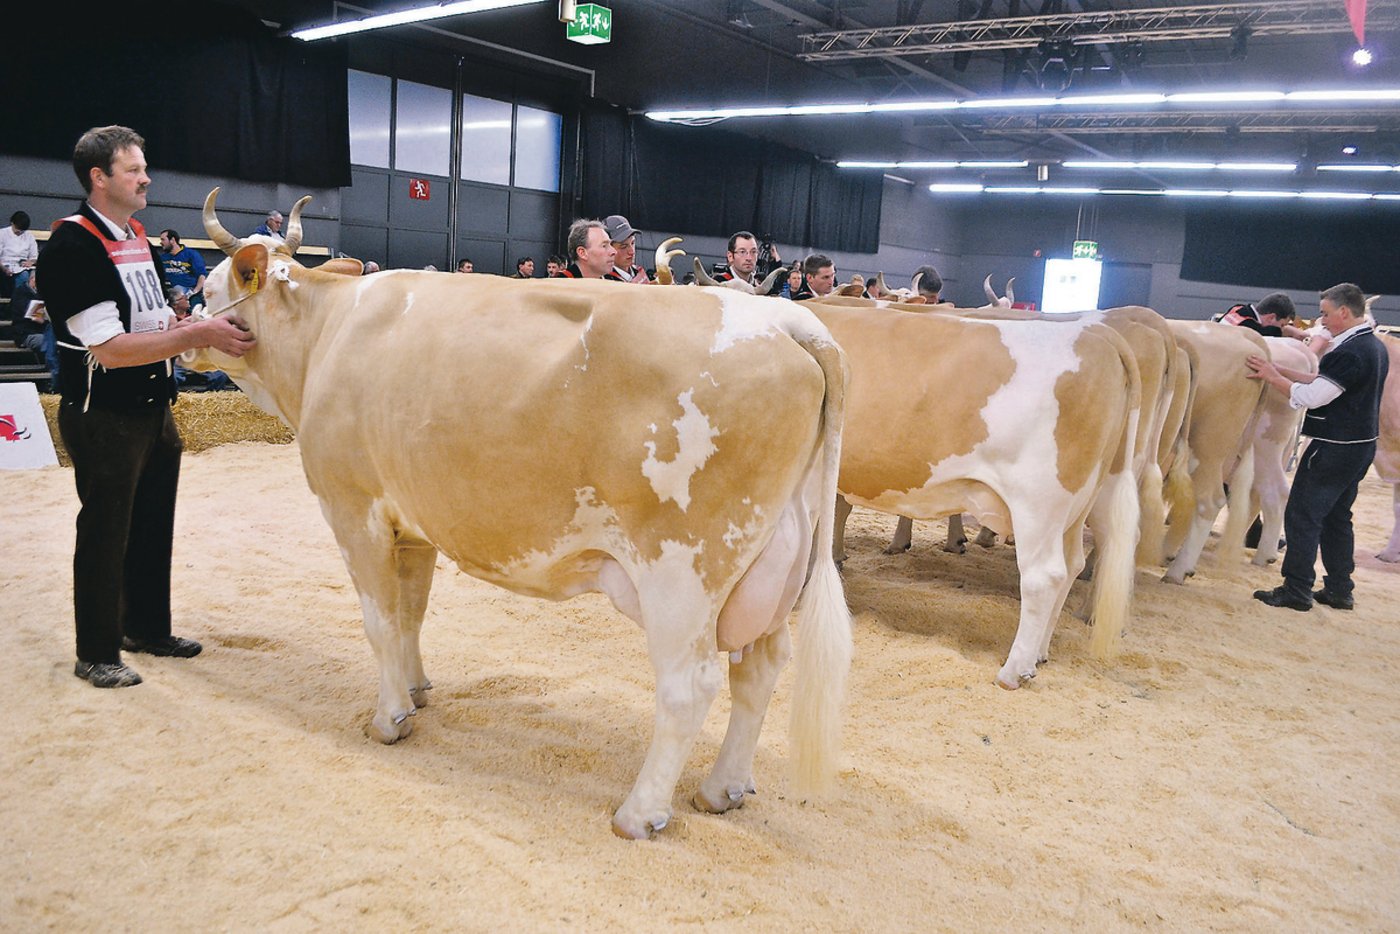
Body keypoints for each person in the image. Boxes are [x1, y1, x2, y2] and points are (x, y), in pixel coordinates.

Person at [37, 125, 257, 688]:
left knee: (153, 522)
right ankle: (96, 650)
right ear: (99, 177)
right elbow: (109, 349)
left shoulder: (134, 235)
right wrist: (195, 335)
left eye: (142, 168)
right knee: (106, 530)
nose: (145, 178)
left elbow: (146, 319)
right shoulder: (72, 244)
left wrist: (186, 325)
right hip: (104, 413)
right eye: (133, 169)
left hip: (154, 405)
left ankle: (146, 629)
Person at [1246, 282, 1390, 612]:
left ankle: (1296, 589)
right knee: (1338, 517)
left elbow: (1310, 398)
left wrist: (1271, 377)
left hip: (1333, 446)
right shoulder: (1371, 346)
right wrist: (1280, 368)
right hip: (1359, 446)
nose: (1320, 320)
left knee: (1302, 515)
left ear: (1343, 311)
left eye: (1325, 313)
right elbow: (1324, 381)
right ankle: (1340, 589)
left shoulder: (1349, 353)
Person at [714, 230, 784, 295]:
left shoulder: (764, 289)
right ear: (730, 256)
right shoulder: (716, 284)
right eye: (742, 252)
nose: (749, 258)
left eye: (753, 252)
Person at [158, 228, 207, 309]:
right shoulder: (163, 258)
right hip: (175, 293)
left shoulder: (191, 254)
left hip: (192, 291)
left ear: (172, 240)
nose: (161, 242)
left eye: (163, 240)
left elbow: (202, 275)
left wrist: (194, 292)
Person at [1217, 292, 1297, 338]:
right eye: (1282, 325)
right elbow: (1269, 332)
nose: (1282, 329)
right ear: (1271, 317)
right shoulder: (1248, 325)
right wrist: (1293, 332)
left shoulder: (1237, 308)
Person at [1, 210, 39, 298]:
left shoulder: (29, 236)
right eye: (17, 229)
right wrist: (4, 269)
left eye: (22, 230)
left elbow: (34, 256)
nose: (19, 232)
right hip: (4, 265)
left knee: (24, 275)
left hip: (21, 267)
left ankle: (18, 301)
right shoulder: (2, 234)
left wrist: (31, 262)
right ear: (12, 223)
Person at [602, 215, 649, 283]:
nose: (632, 251)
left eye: (633, 243)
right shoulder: (604, 281)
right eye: (623, 247)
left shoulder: (639, 272)